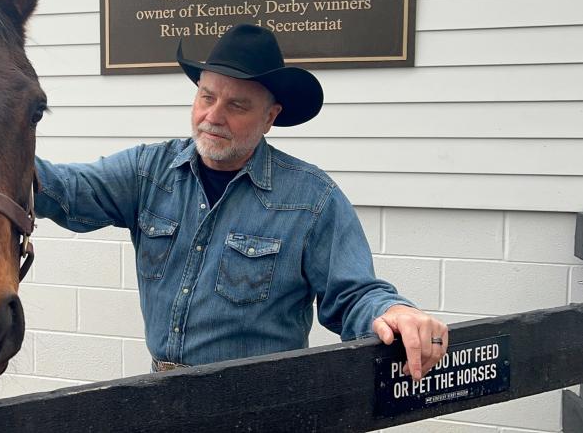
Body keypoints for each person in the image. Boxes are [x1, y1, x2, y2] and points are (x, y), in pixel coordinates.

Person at [34, 23, 447, 380]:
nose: (213, 115)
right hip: (160, 403)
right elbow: (65, 189)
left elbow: (355, 295)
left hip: (263, 409)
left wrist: (395, 313)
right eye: (206, 96)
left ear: (270, 117)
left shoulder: (312, 200)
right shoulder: (149, 172)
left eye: (237, 105)